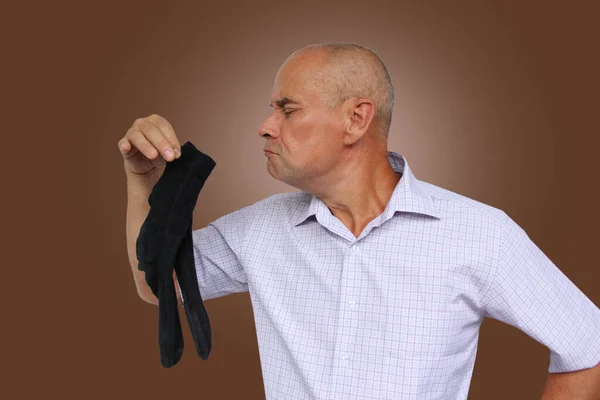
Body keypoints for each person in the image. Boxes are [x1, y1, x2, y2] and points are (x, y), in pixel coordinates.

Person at [118, 42, 600, 399]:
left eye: (287, 109)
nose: (266, 125)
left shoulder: (478, 234)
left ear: (356, 119)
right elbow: (157, 284)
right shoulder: (258, 231)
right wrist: (144, 183)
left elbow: (587, 346)